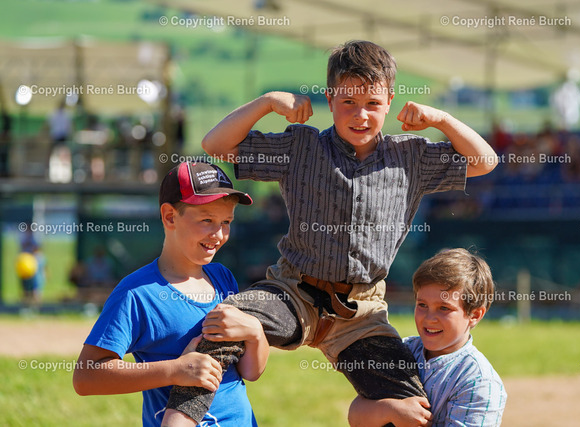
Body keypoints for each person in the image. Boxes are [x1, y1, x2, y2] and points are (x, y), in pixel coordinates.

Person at [165, 40, 498, 424]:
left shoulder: (412, 156)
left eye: (373, 104)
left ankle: (381, 409)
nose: (361, 115)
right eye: (348, 103)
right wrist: (269, 102)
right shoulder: (299, 147)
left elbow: (484, 161)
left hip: (362, 313)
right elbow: (215, 145)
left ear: (389, 100)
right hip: (293, 293)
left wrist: (439, 119)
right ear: (329, 98)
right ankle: (178, 420)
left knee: (411, 407)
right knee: (225, 323)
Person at [73, 161, 269, 427]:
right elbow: (86, 377)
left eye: (226, 222)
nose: (219, 234)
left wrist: (255, 332)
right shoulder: (137, 293)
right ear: (169, 217)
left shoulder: (223, 277)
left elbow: (250, 371)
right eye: (207, 220)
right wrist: (175, 371)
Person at [348, 248, 507, 426]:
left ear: (475, 315)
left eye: (444, 308)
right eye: (422, 304)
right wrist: (391, 410)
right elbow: (355, 415)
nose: (429, 318)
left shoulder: (478, 381)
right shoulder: (400, 349)